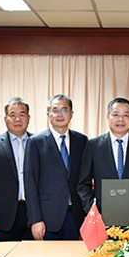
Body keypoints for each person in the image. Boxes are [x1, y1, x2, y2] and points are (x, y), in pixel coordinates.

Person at [78, 98, 129, 222]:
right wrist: (94, 213)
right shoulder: (93, 146)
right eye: (115, 114)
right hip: (101, 220)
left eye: (125, 115)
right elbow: (83, 185)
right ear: (108, 117)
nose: (120, 119)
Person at [24, 94, 87, 240]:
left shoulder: (81, 141)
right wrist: (35, 219)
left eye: (64, 110)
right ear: (48, 114)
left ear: (71, 114)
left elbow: (84, 180)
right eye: (55, 110)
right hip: (46, 218)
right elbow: (30, 183)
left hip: (75, 216)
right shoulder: (35, 142)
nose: (60, 114)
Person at [0, 98, 33, 241]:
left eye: (22, 115)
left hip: (33, 214)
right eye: (12, 115)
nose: (17, 119)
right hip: (5, 216)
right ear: (5, 118)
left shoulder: (38, 143)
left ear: (28, 118)